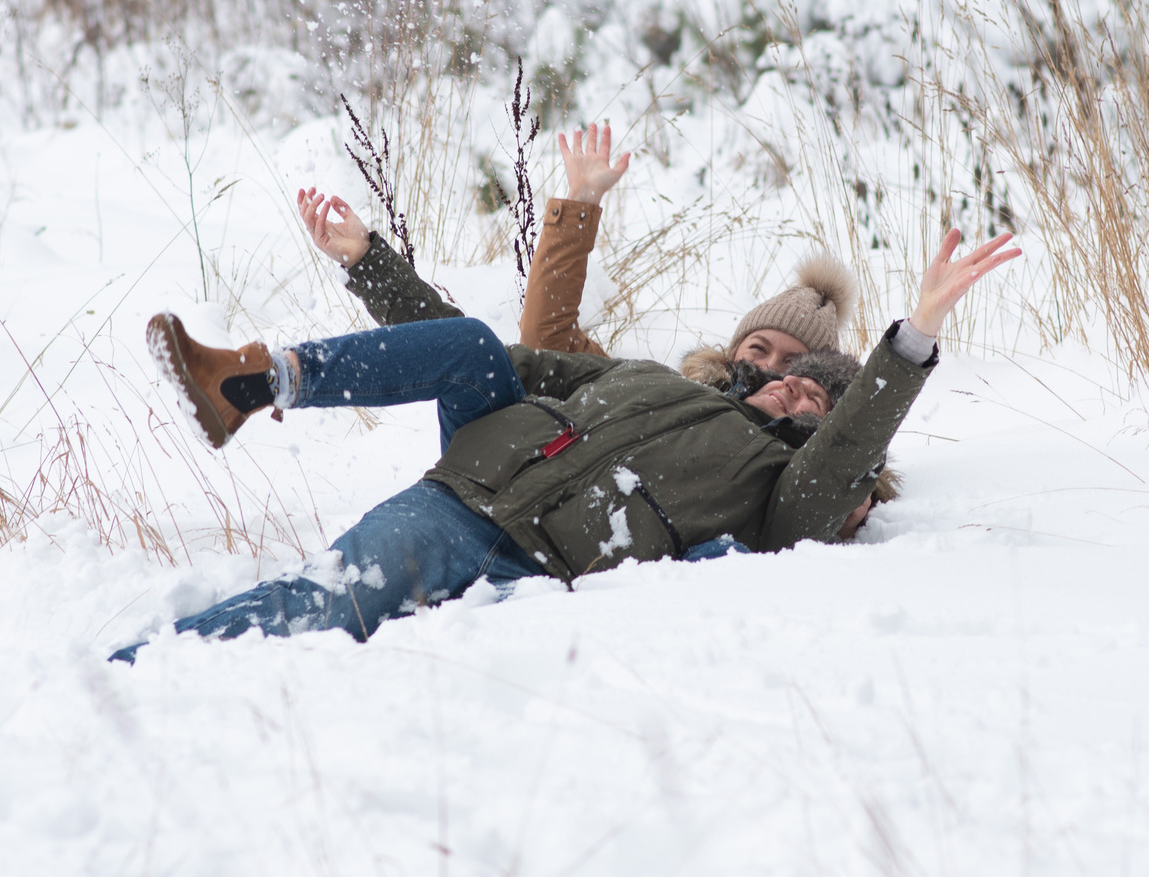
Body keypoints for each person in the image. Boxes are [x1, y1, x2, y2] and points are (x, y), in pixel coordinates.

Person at [120, 226, 1018, 660]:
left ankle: (126, 676)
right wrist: (370, 261)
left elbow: (837, 468)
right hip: (463, 484)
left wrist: (914, 339)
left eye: (820, 391)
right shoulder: (652, 377)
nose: (793, 380)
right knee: (474, 345)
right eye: (779, 363)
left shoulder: (779, 487)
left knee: (317, 606)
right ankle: (251, 380)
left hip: (516, 544)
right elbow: (468, 352)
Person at [298, 122, 899, 524]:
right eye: (760, 346)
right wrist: (367, 260)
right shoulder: (659, 394)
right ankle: (278, 378)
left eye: (792, 366)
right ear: (733, 345)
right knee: (472, 351)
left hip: (557, 554)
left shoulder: (808, 459)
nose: (769, 368)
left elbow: (839, 495)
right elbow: (537, 345)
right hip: (501, 495)